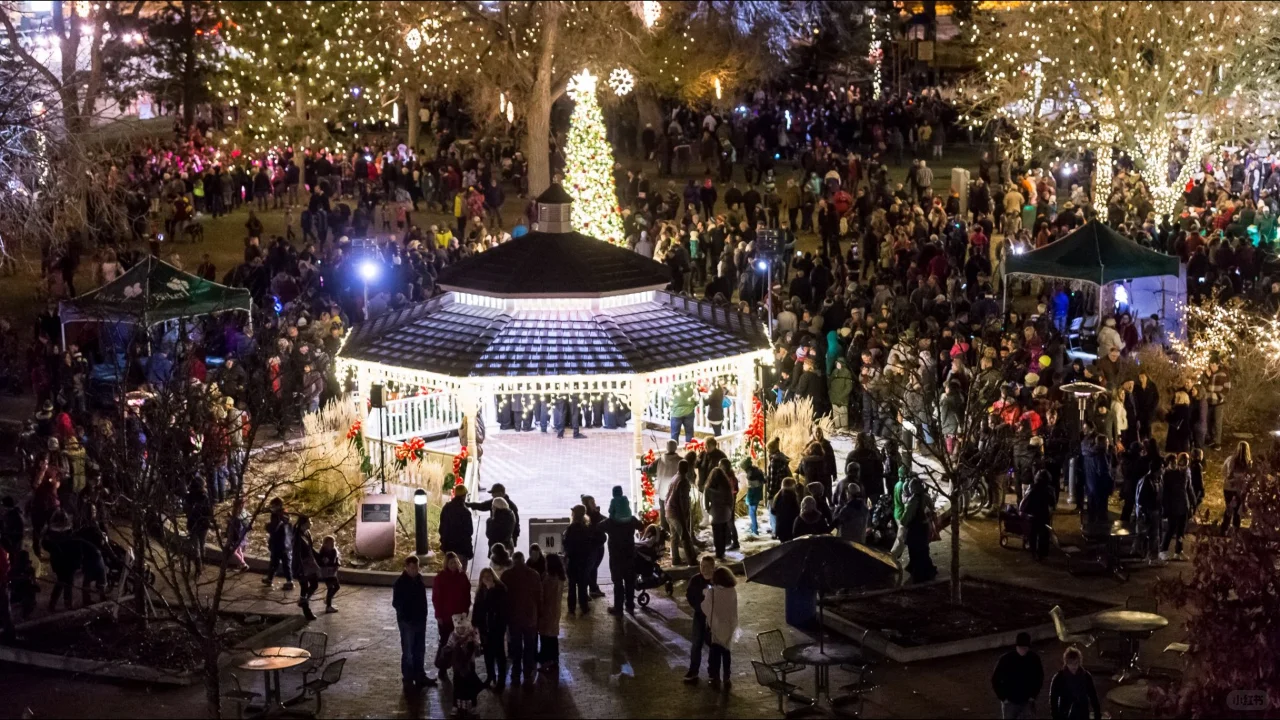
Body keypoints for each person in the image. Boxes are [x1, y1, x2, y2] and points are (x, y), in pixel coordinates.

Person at [392, 555, 435, 690]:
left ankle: (419, 675)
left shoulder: (418, 580)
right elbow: (397, 603)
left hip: (419, 620)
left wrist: (423, 615)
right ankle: (409, 678)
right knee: (409, 650)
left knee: (419, 649)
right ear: (406, 567)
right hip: (408, 622)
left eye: (416, 567)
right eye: (412, 568)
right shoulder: (400, 583)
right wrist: (407, 617)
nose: (414, 570)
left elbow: (422, 601)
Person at [599, 487, 645, 616]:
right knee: (630, 581)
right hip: (630, 554)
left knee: (618, 582)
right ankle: (630, 604)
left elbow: (598, 527)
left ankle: (618, 608)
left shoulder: (610, 522)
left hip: (616, 557)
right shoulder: (631, 520)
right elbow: (641, 526)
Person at [502, 550, 542, 686]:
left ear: (513, 561)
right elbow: (539, 597)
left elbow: (504, 598)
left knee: (516, 647)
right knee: (530, 646)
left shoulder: (507, 575)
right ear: (524, 560)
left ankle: (516, 672)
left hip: (514, 618)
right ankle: (527, 672)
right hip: (530, 616)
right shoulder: (534, 575)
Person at [433, 552, 472, 679]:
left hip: (459, 616)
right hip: (446, 616)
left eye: (455, 562)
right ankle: (442, 667)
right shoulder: (440, 578)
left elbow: (467, 595)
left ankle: (458, 667)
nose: (454, 565)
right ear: (446, 564)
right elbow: (436, 598)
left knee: (460, 643)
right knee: (445, 643)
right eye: (451, 563)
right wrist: (438, 615)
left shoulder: (462, 577)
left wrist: (466, 609)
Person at [700, 566, 738, 692]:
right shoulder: (732, 591)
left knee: (714, 654)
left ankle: (714, 677)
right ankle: (727, 677)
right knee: (726, 653)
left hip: (715, 628)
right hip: (728, 626)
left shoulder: (712, 592)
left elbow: (705, 607)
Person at [991, 632, 1044, 719]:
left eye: (1025, 648)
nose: (1023, 650)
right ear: (1017, 646)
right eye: (1021, 647)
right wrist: (1003, 698)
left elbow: (1039, 677)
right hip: (1011, 701)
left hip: (1026, 700)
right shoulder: (1005, 660)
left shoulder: (1033, 658)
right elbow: (995, 679)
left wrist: (1033, 695)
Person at [472, 567, 509, 691]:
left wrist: (491, 590)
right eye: (484, 577)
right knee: (488, 654)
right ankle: (490, 676)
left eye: (489, 576)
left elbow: (497, 608)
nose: (487, 579)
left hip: (497, 627)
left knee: (499, 654)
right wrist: (475, 623)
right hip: (485, 628)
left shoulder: (500, 590)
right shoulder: (481, 591)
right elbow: (478, 608)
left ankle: (501, 681)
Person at [682, 555, 716, 684]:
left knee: (713, 645)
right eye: (702, 566)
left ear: (713, 567)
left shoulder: (717, 581)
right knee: (696, 644)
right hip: (700, 616)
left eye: (707, 566)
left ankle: (713, 672)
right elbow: (690, 595)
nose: (704, 569)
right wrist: (699, 607)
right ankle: (693, 671)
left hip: (713, 619)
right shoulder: (696, 580)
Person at [445, 613, 484, 715]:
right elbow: (449, 648)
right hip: (457, 667)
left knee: (470, 686)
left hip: (469, 665)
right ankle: (456, 706)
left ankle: (473, 706)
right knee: (457, 686)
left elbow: (478, 650)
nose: (460, 630)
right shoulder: (453, 636)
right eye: (458, 628)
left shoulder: (471, 636)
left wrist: (475, 641)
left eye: (462, 628)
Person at [1049, 647, 1101, 720]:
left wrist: (1097, 713)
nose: (1073, 666)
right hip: (1065, 713)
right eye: (1071, 663)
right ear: (1066, 663)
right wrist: (1056, 716)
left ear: (1079, 662)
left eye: (1076, 663)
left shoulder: (1086, 676)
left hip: (1082, 713)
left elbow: (1093, 696)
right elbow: (1053, 699)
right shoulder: (1059, 678)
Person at [1160, 454, 1194, 561]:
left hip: (1183, 505)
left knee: (1181, 530)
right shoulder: (1167, 474)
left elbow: (1188, 488)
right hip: (1173, 506)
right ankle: (1163, 550)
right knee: (1171, 529)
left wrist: (1193, 502)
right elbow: (1165, 493)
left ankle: (1179, 551)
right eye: (1172, 462)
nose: (1175, 464)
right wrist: (1165, 507)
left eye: (1175, 462)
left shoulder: (1183, 472)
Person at [562, 505, 594, 615]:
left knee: (572, 585)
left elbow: (566, 543)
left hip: (572, 560)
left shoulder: (570, 528)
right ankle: (584, 606)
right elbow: (589, 545)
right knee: (582, 585)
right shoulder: (586, 528)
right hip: (583, 561)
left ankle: (571, 608)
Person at [468, 484, 520, 549]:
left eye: (493, 493)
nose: (492, 495)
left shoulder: (509, 506)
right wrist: (468, 504)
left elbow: (516, 525)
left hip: (499, 545)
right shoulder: (496, 502)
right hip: (507, 544)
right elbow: (482, 506)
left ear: (500, 493)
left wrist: (515, 538)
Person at [665, 461, 697, 566]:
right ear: (686, 469)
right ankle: (692, 561)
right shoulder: (683, 481)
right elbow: (683, 501)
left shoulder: (674, 478)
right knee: (685, 537)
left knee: (674, 537)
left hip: (669, 511)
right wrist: (685, 515)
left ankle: (675, 559)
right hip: (676, 513)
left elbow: (667, 495)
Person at [1019, 471, 1057, 560]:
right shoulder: (1050, 489)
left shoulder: (1032, 488)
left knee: (1033, 533)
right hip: (1043, 516)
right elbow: (1053, 504)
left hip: (1032, 516)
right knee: (1044, 533)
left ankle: (1034, 551)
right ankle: (1042, 552)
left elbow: (1023, 504)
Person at [538, 554, 566, 673]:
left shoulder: (550, 579)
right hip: (555, 610)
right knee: (553, 636)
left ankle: (546, 660)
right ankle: (554, 659)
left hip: (547, 610)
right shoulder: (560, 577)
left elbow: (543, 595)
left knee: (545, 636)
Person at [439, 485, 474, 571]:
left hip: (448, 548)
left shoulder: (446, 508)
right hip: (461, 549)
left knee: (448, 573)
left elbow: (441, 528)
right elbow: (470, 531)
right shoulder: (465, 512)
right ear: (464, 496)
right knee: (460, 574)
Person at [292, 515, 320, 621]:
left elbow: (310, 548)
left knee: (314, 584)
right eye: (309, 521)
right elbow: (296, 554)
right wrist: (300, 569)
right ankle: (306, 611)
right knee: (304, 587)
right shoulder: (297, 536)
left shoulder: (307, 533)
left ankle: (304, 601)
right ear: (304, 523)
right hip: (301, 565)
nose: (311, 523)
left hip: (309, 562)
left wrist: (320, 557)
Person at [262, 497, 294, 591]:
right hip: (286, 543)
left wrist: (267, 526)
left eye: (273, 506)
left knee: (276, 562)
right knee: (283, 563)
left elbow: (274, 528)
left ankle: (286, 581)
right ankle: (286, 580)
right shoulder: (285, 515)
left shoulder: (277, 516)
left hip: (278, 543)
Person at [704, 466, 735, 559]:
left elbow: (705, 504)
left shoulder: (708, 488)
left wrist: (710, 511)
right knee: (723, 532)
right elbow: (731, 500)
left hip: (714, 514)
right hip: (725, 513)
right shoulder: (726, 487)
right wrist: (729, 510)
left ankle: (718, 552)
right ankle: (723, 551)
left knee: (716, 534)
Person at [1221, 440, 1252, 532]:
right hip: (1239, 490)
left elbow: (1223, 472)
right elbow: (1249, 477)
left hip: (1228, 488)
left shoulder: (1230, 459)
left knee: (1229, 508)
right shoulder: (1248, 463)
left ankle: (1224, 529)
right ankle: (1235, 530)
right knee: (1237, 511)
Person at [772, 477, 802, 543]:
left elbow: (773, 511)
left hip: (780, 527)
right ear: (791, 485)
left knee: (783, 544)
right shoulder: (792, 496)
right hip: (789, 527)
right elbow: (797, 511)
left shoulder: (778, 496)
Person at [741, 458, 766, 538]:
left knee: (752, 513)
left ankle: (755, 530)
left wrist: (748, 499)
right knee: (752, 512)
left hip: (753, 495)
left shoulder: (751, 475)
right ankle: (753, 527)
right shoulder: (757, 471)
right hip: (757, 494)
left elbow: (752, 488)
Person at [316, 535, 340, 613]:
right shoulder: (323, 552)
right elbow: (322, 562)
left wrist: (337, 564)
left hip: (332, 572)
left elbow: (336, 560)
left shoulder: (334, 551)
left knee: (336, 586)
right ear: (325, 544)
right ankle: (328, 606)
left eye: (333, 542)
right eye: (330, 543)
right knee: (331, 587)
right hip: (327, 572)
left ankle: (328, 600)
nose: (332, 544)